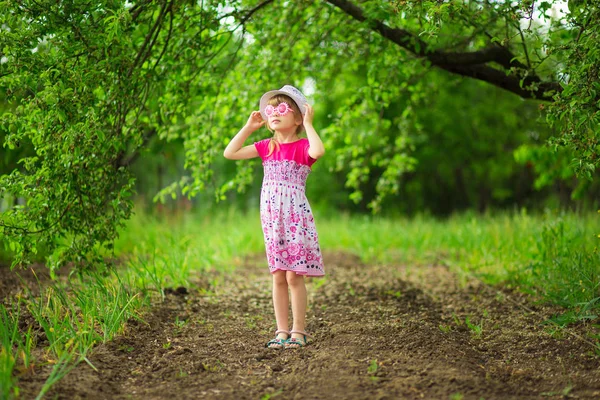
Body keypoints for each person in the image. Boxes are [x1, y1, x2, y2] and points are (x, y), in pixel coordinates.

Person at [223, 85, 325, 349]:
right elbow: (230, 153)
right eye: (271, 109)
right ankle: (281, 331)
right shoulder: (266, 146)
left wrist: (310, 124)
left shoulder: (303, 146)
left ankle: (298, 331)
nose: (274, 113)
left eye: (282, 108)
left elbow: (319, 151)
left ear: (298, 117)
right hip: (271, 217)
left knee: (294, 276)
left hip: (295, 217)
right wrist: (249, 127)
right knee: (278, 274)